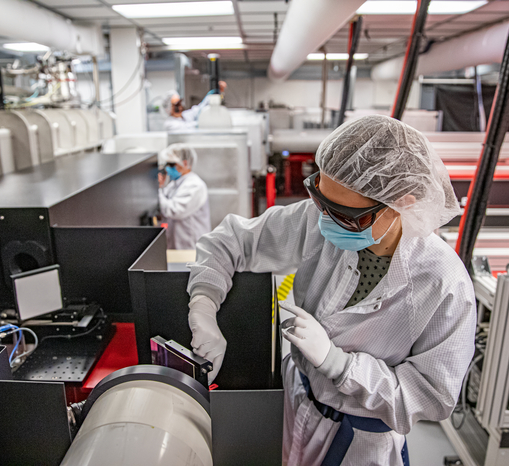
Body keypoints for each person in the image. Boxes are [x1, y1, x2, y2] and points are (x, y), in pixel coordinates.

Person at [186, 115, 476, 465]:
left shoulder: (443, 283)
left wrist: (341, 365)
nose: (326, 221)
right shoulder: (317, 220)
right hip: (297, 403)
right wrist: (203, 306)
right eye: (322, 201)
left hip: (362, 440)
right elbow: (230, 242)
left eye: (347, 216)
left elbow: (432, 397)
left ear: (405, 203)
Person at [158, 143, 211, 250]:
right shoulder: (175, 184)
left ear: (185, 163)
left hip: (190, 245)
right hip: (177, 243)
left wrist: (157, 189)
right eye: (167, 164)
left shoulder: (194, 185)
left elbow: (173, 210)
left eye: (172, 164)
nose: (168, 168)